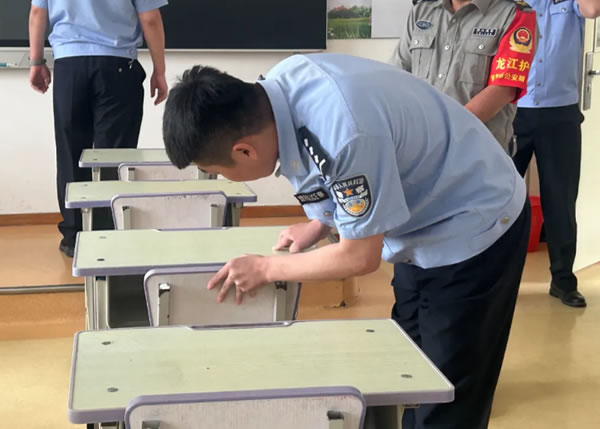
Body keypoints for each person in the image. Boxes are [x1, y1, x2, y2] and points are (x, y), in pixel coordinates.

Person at [162, 53, 530, 429]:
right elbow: (324, 168)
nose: (222, 179)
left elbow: (359, 257)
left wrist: (266, 268)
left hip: (474, 222)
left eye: (216, 172)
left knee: (447, 395)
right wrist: (320, 223)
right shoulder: (277, 90)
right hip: (418, 225)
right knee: (408, 373)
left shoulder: (345, 132)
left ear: (244, 150)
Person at [28, 0, 169, 257]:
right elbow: (150, 18)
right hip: (118, 67)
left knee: (71, 153)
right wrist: (159, 70)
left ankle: (74, 236)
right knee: (113, 156)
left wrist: (36, 61)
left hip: (69, 66)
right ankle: (106, 234)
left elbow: (38, 12)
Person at [512, 0, 600, 308]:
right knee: (498, 199)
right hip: (512, 109)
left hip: (560, 113)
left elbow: (593, 10)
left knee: (561, 201)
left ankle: (563, 281)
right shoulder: (511, 4)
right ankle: (495, 281)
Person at [393, 0, 536, 154]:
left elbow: (503, 89)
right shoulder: (421, 11)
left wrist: (440, 135)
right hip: (420, 148)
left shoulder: (513, 14)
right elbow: (397, 78)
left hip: (479, 153)